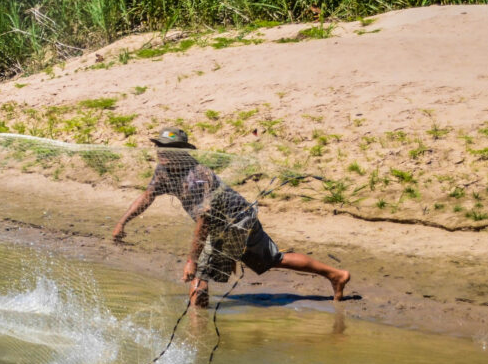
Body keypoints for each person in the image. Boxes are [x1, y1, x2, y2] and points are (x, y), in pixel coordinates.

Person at [112, 127, 350, 307]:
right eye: (159, 147)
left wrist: (191, 260)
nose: (160, 152)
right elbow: (147, 196)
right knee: (273, 260)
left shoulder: (197, 176)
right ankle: (336, 274)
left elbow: (204, 221)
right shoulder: (164, 171)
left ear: (182, 153)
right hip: (234, 222)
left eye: (166, 148)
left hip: (236, 224)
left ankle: (198, 337)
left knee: (201, 273)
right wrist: (123, 222)